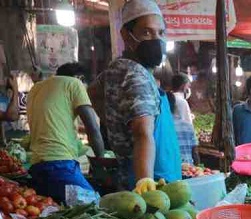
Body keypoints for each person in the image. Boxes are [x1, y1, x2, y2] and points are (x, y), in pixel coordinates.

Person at [90, 0, 181, 193]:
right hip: (154, 183)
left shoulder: (117, 68)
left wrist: (115, 124)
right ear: (126, 35)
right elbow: (142, 132)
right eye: (146, 32)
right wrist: (145, 182)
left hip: (141, 175)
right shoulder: (136, 75)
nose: (156, 39)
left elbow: (93, 92)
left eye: (161, 33)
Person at [26, 63, 104, 204]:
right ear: (80, 78)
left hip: (37, 168)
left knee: (61, 212)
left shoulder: (35, 88)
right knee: (95, 206)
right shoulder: (74, 83)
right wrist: (101, 159)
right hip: (59, 166)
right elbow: (92, 127)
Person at [167, 92, 197, 165]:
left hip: (171, 167)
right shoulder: (188, 126)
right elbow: (195, 151)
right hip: (189, 168)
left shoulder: (164, 126)